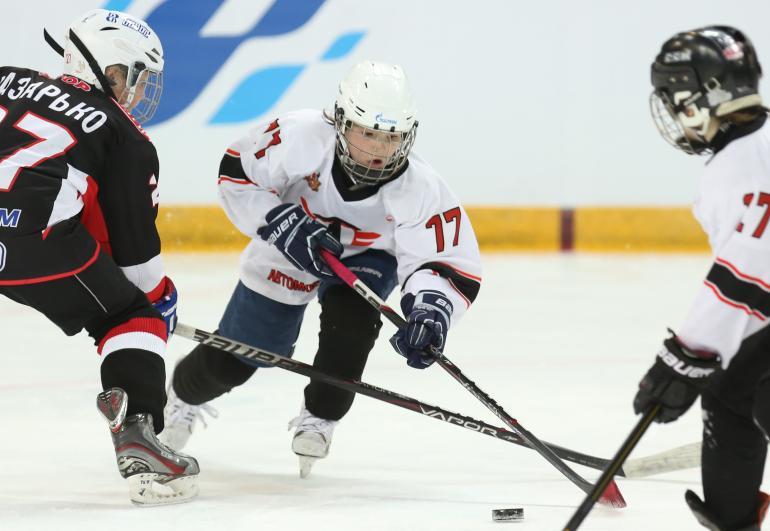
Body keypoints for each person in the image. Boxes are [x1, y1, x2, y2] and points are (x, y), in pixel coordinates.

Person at [160, 60, 482, 478]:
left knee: (351, 329)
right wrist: (278, 220)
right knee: (244, 353)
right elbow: (239, 173)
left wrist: (431, 310)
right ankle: (184, 393)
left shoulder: (421, 187)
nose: (379, 149)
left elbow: (443, 261)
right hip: (292, 241)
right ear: (340, 121)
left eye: (391, 137)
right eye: (368, 133)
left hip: (368, 258)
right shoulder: (302, 135)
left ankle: (321, 416)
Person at [0, 9, 198, 505]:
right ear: (110, 69)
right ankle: (139, 440)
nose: (137, 91)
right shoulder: (125, 135)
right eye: (135, 77)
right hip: (33, 244)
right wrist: (158, 301)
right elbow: (135, 254)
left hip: (30, 230)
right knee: (131, 317)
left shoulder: (6, 78)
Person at [634, 26, 770, 530]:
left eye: (675, 98)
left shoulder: (743, 167)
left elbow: (748, 275)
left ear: (700, 97)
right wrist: (697, 359)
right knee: (733, 385)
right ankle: (733, 518)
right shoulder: (753, 146)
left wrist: (687, 354)